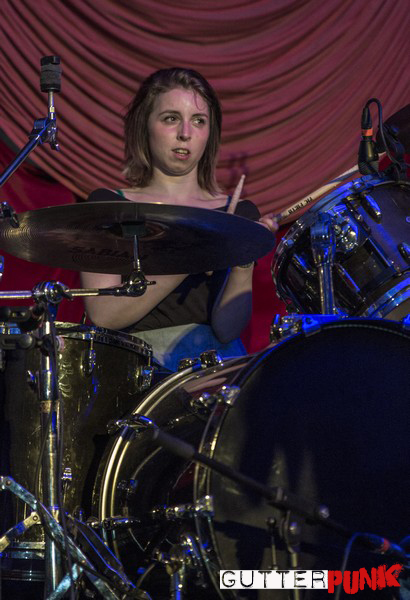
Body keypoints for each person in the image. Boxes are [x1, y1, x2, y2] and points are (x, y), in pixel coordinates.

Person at [81, 67, 277, 370]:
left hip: (214, 369)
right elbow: (104, 315)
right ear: (144, 126)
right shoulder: (108, 205)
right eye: (171, 118)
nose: (185, 133)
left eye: (199, 121)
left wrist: (243, 263)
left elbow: (227, 330)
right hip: (135, 366)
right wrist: (194, 256)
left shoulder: (237, 213)